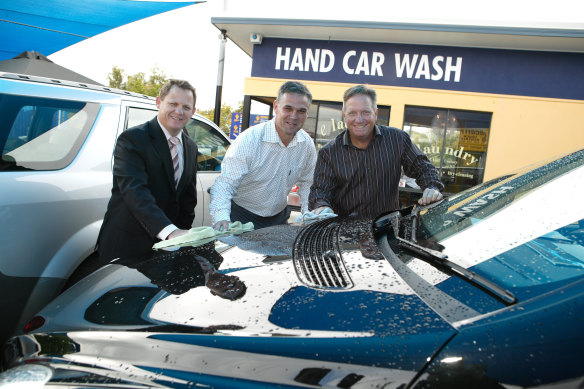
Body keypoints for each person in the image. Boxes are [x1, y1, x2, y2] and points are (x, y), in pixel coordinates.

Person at [97, 79, 199, 264]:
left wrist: (181, 239)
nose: (179, 111)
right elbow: (135, 192)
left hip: (169, 249)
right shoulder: (132, 139)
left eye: (186, 106)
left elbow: (187, 199)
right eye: (173, 104)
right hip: (128, 245)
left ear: (193, 111)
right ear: (159, 103)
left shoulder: (191, 146)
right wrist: (170, 232)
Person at [309, 84, 443, 219]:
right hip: (345, 232)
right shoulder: (329, 153)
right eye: (352, 113)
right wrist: (322, 207)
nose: (359, 119)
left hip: (388, 230)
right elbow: (320, 191)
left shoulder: (397, 139)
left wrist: (431, 187)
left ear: (376, 113)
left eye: (365, 112)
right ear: (344, 116)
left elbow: (423, 167)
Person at [210, 81, 317, 230]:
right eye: (288, 108)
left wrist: (309, 217)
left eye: (301, 111)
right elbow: (225, 185)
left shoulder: (307, 145)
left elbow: (308, 185)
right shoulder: (249, 140)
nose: (294, 116)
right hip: (241, 218)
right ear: (276, 107)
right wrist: (221, 218)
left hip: (278, 219)